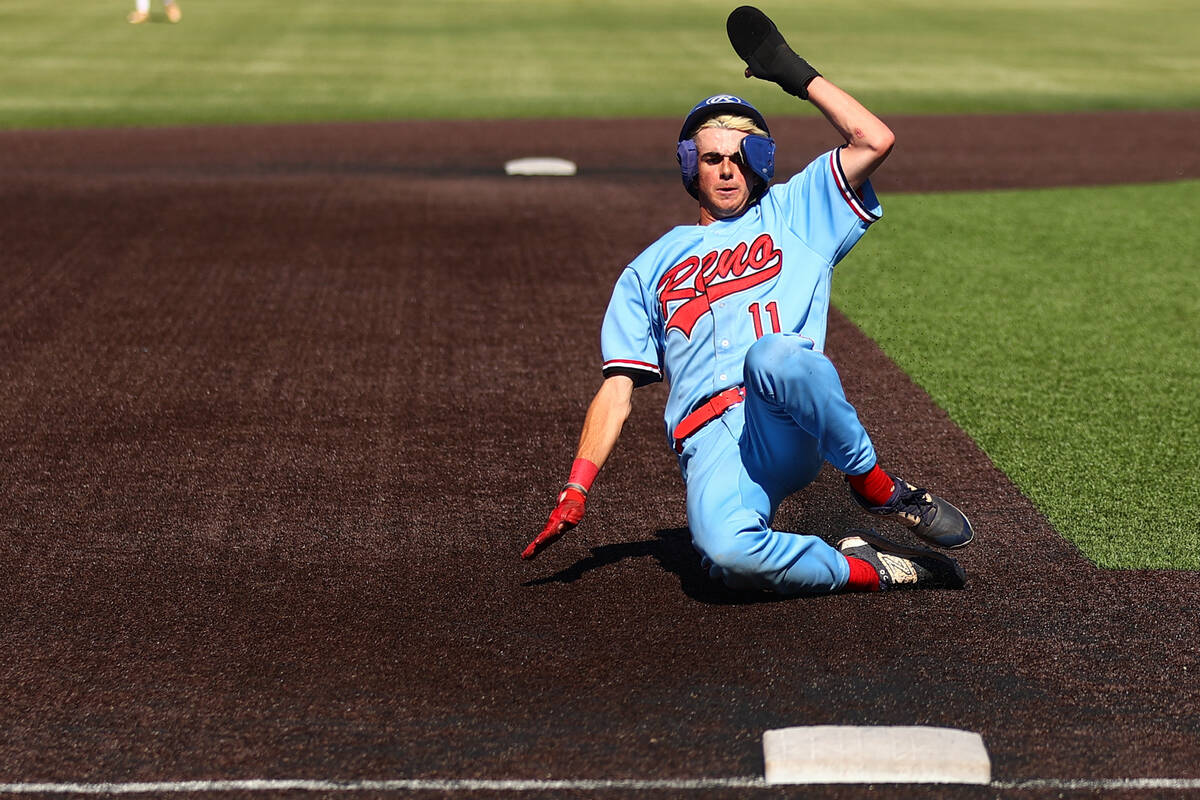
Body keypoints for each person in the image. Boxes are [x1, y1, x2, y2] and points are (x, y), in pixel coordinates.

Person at [521, 5, 974, 594]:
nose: (728, 170)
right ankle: (879, 568)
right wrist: (577, 487)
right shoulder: (647, 268)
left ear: (762, 162)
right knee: (726, 558)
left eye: (743, 156)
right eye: (712, 158)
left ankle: (876, 487)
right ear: (690, 166)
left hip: (781, 417)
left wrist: (795, 74)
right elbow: (616, 390)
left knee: (774, 356)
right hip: (710, 444)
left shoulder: (795, 211)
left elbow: (876, 139)